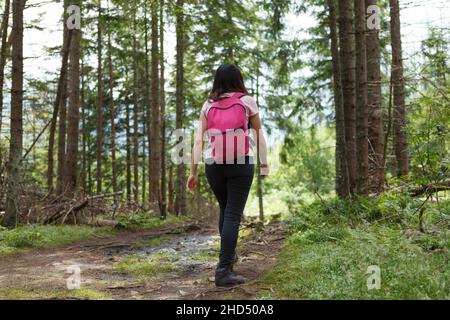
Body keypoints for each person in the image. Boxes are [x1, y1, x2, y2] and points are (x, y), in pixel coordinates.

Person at [186, 64, 269, 287]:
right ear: (238, 79)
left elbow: (197, 141)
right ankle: (223, 271)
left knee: (225, 209)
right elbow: (258, 134)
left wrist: (193, 171)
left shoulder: (208, 104)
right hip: (240, 163)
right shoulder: (246, 101)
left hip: (213, 165)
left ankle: (228, 259)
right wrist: (264, 164)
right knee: (232, 214)